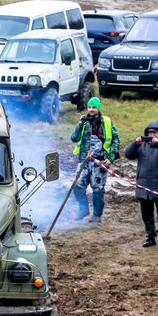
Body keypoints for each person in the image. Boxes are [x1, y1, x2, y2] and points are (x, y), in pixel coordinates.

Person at [124, 122, 158, 249]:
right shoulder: (141, 146)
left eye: (155, 133)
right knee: (146, 215)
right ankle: (150, 237)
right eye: (149, 133)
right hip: (144, 186)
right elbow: (127, 154)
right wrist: (134, 143)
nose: (151, 135)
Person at [70, 96, 120, 225]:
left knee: (98, 189)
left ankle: (97, 215)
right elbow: (74, 138)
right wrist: (80, 123)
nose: (91, 109)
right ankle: (83, 209)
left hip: (100, 162)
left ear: (98, 108)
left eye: (94, 107)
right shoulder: (84, 122)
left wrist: (111, 158)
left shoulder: (107, 122)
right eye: (89, 107)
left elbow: (115, 140)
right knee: (78, 186)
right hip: (84, 161)